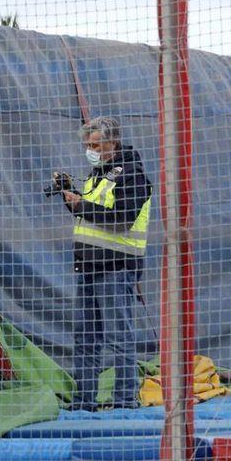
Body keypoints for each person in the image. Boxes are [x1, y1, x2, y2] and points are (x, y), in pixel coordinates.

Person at [60, 116, 152, 411]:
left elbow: (122, 219)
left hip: (116, 267)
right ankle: (84, 400)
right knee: (86, 339)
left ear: (112, 142)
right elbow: (90, 216)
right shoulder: (97, 175)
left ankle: (125, 400)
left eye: (96, 144)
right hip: (89, 267)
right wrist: (70, 197)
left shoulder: (132, 175)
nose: (90, 149)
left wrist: (81, 205)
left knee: (119, 337)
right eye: (87, 145)